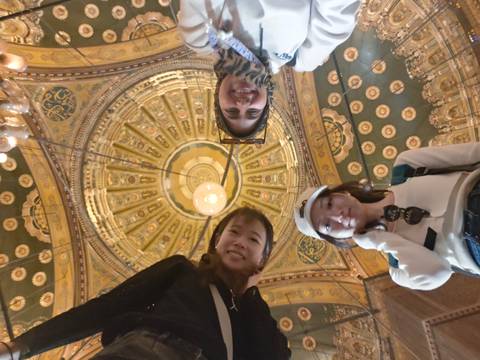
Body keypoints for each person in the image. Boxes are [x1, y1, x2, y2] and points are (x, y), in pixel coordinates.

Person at [0, 208, 290, 360]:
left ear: (262, 259)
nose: (240, 242)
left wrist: (251, 296)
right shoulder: (183, 270)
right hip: (147, 351)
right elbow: (108, 307)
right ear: (217, 240)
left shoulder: (254, 315)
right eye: (234, 232)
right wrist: (23, 345)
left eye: (253, 240)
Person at [294, 142, 480, 291]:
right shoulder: (398, 268)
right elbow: (437, 272)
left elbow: (473, 153)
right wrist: (380, 240)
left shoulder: (406, 166)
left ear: (343, 194)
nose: (337, 215)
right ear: (336, 239)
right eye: (327, 225)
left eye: (329, 204)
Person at [178, 0, 361, 140]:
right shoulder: (304, 57)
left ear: (218, 95)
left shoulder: (200, 38)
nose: (242, 104)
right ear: (267, 101)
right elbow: (337, 13)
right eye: (252, 113)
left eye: (231, 111)